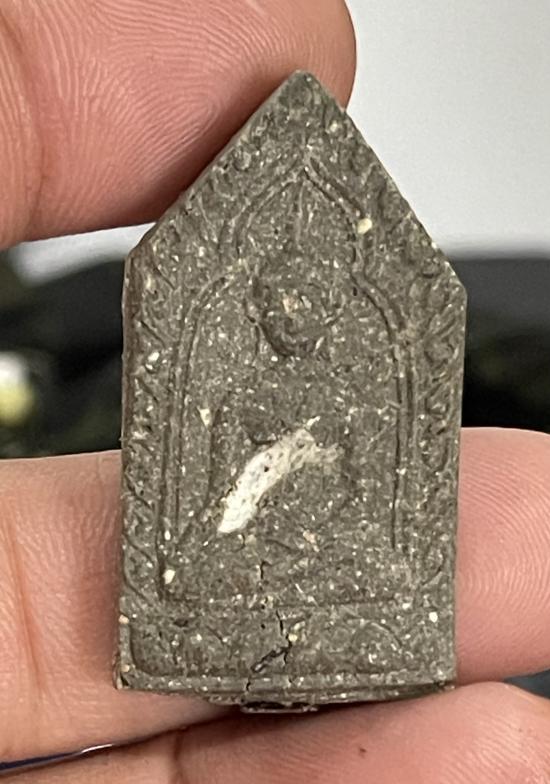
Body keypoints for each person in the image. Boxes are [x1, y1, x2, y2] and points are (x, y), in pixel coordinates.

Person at [1, 1, 549, 781]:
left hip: (333, 541)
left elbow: (362, 490)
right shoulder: (234, 394)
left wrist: (313, 505)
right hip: (240, 542)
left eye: (305, 303)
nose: (289, 318)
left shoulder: (348, 392)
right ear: (257, 310)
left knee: (387, 568)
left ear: (327, 309)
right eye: (275, 305)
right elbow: (214, 502)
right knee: (191, 569)